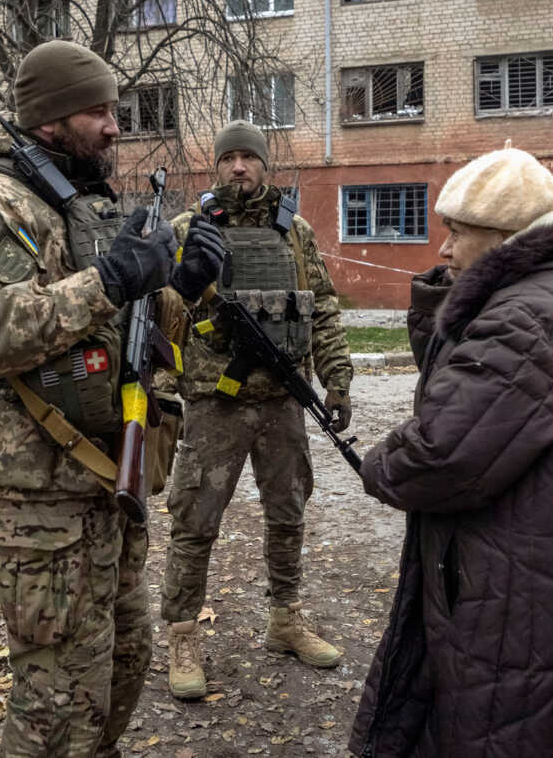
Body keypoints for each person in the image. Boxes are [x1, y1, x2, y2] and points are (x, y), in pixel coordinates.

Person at [0, 40, 222, 756]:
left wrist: (177, 288)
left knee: (121, 666)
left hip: (104, 480)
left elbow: (124, 332)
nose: (114, 126)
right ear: (52, 119)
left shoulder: (74, 198)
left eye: (114, 109)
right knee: (57, 695)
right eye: (99, 110)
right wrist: (108, 282)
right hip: (39, 495)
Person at [349, 145, 553, 757]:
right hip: (549, 573)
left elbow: (443, 452)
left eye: (457, 233)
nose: (444, 250)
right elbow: (476, 395)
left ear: (507, 239)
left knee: (505, 731)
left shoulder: (525, 318)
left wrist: (378, 464)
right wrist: (446, 304)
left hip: (520, 591)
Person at [160, 119, 354, 700]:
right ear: (215, 167)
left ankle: (284, 619)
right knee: (194, 521)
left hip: (282, 400)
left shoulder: (293, 232)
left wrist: (337, 379)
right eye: (229, 159)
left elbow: (321, 307)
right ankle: (181, 635)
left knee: (289, 513)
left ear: (265, 165)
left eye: (249, 157)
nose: (238, 167)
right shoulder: (187, 230)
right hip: (215, 401)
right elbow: (160, 314)